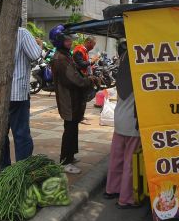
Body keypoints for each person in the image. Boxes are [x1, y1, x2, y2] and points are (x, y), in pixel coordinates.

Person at [0, 20, 41, 167]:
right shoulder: (22, 33)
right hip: (17, 95)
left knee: (0, 134)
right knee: (21, 134)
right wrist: (39, 45)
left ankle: (4, 171)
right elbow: (35, 55)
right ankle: (22, 169)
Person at [49, 25, 98, 174]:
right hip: (68, 100)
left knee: (72, 127)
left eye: (70, 39)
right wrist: (90, 80)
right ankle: (65, 161)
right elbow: (74, 79)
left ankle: (71, 156)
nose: (70, 42)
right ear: (59, 41)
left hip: (73, 99)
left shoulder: (65, 55)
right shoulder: (60, 59)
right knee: (69, 129)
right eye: (67, 40)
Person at [105, 46, 142, 208]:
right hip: (133, 125)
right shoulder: (139, 79)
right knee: (130, 162)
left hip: (119, 121)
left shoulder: (121, 79)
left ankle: (111, 189)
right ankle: (126, 199)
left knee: (116, 158)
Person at [73, 36, 97, 125]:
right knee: (80, 98)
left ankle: (81, 116)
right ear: (88, 42)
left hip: (84, 77)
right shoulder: (79, 50)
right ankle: (78, 117)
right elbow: (80, 64)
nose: (93, 47)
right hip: (79, 78)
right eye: (93, 44)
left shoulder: (85, 51)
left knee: (83, 98)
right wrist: (92, 61)